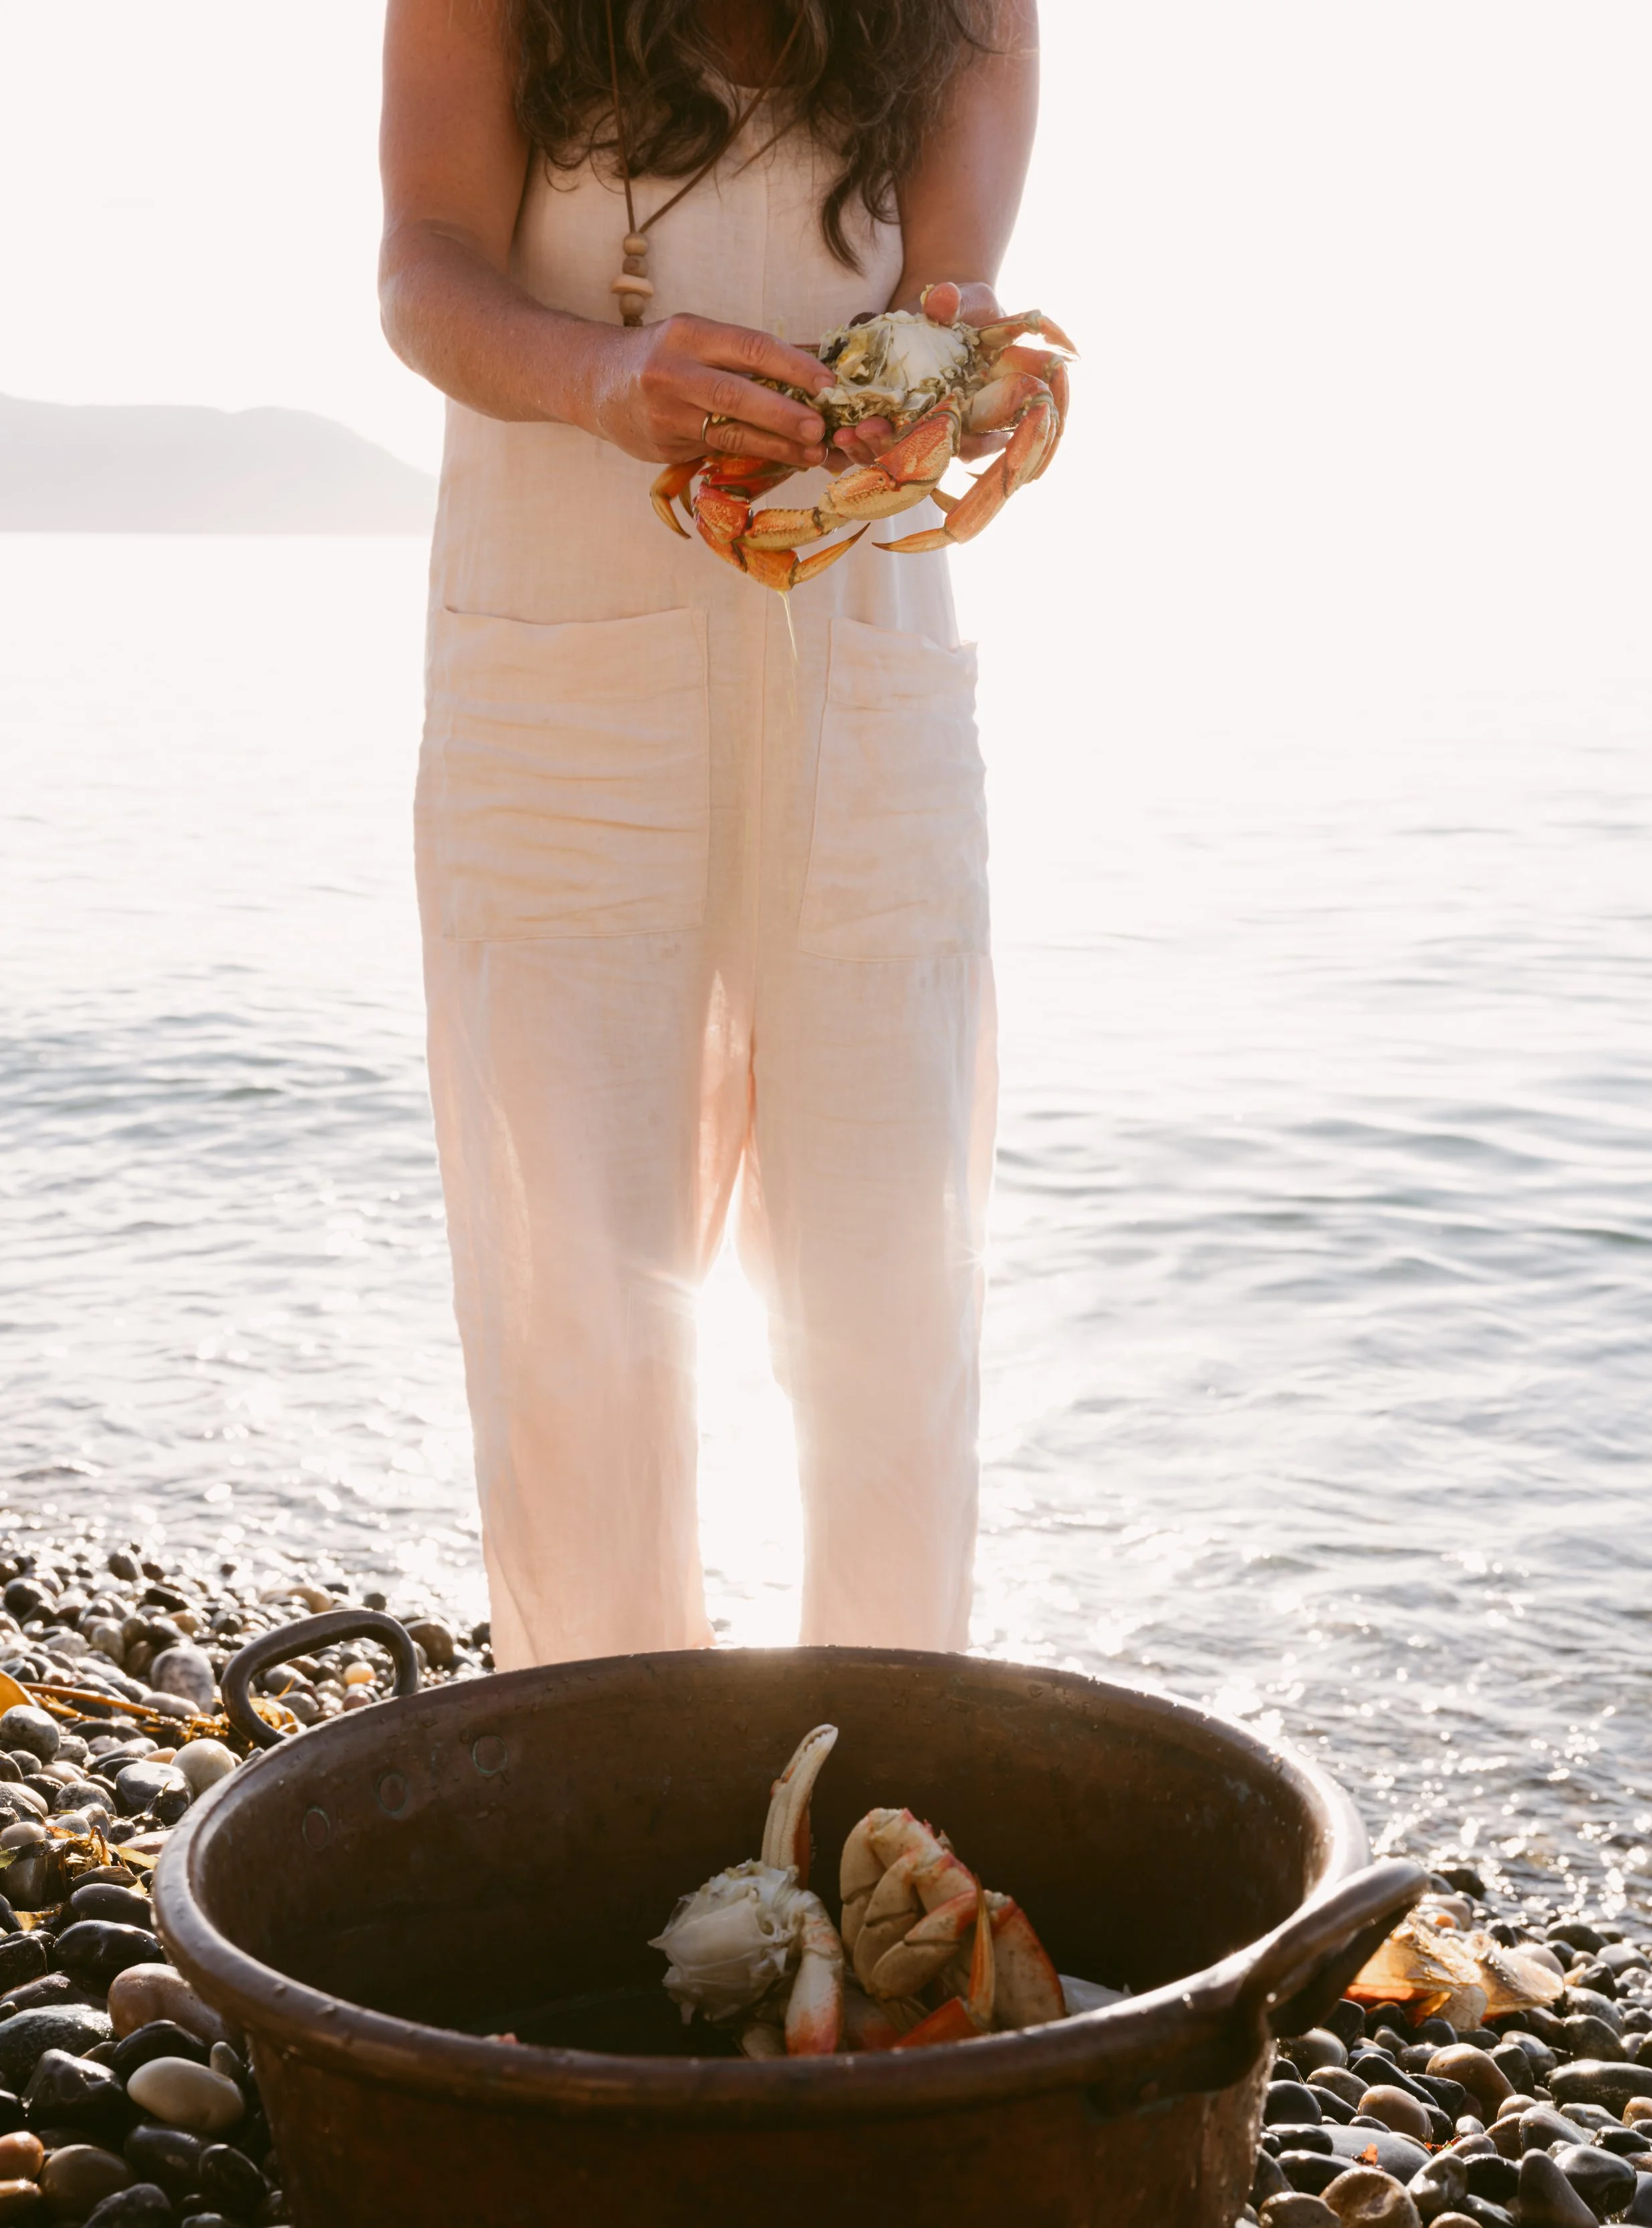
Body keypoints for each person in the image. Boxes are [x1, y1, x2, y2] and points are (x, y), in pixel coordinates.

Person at [378, 0, 1040, 1668]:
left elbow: (949, 295)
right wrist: (603, 375)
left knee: (891, 1322)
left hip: (864, 668)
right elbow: (423, 265)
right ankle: (594, 1812)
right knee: (574, 1319)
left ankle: (897, 1853)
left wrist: (950, 382)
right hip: (560, 675)